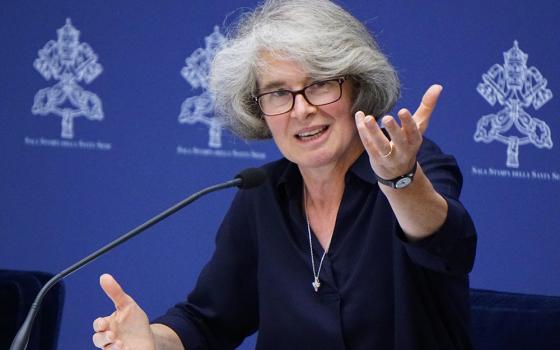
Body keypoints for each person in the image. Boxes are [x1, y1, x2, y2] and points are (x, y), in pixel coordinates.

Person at [92, 0, 477, 349]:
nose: (301, 109)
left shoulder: (414, 165)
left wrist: (400, 180)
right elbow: (207, 321)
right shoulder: (261, 196)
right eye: (278, 93)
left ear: (357, 87)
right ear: (257, 108)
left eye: (321, 83)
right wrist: (151, 343)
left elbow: (446, 243)